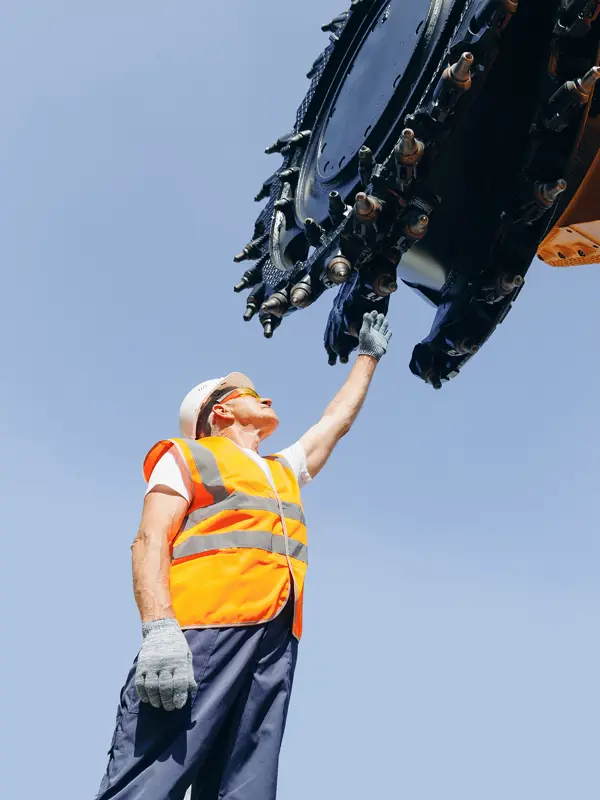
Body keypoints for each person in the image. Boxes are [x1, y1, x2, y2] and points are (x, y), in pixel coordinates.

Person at [95, 311, 392, 800]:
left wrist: (368, 357)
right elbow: (150, 538)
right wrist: (159, 630)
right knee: (149, 782)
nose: (268, 399)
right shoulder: (187, 455)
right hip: (200, 636)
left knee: (245, 790)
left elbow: (334, 424)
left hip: (273, 643)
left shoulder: (281, 471)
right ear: (220, 413)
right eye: (250, 394)